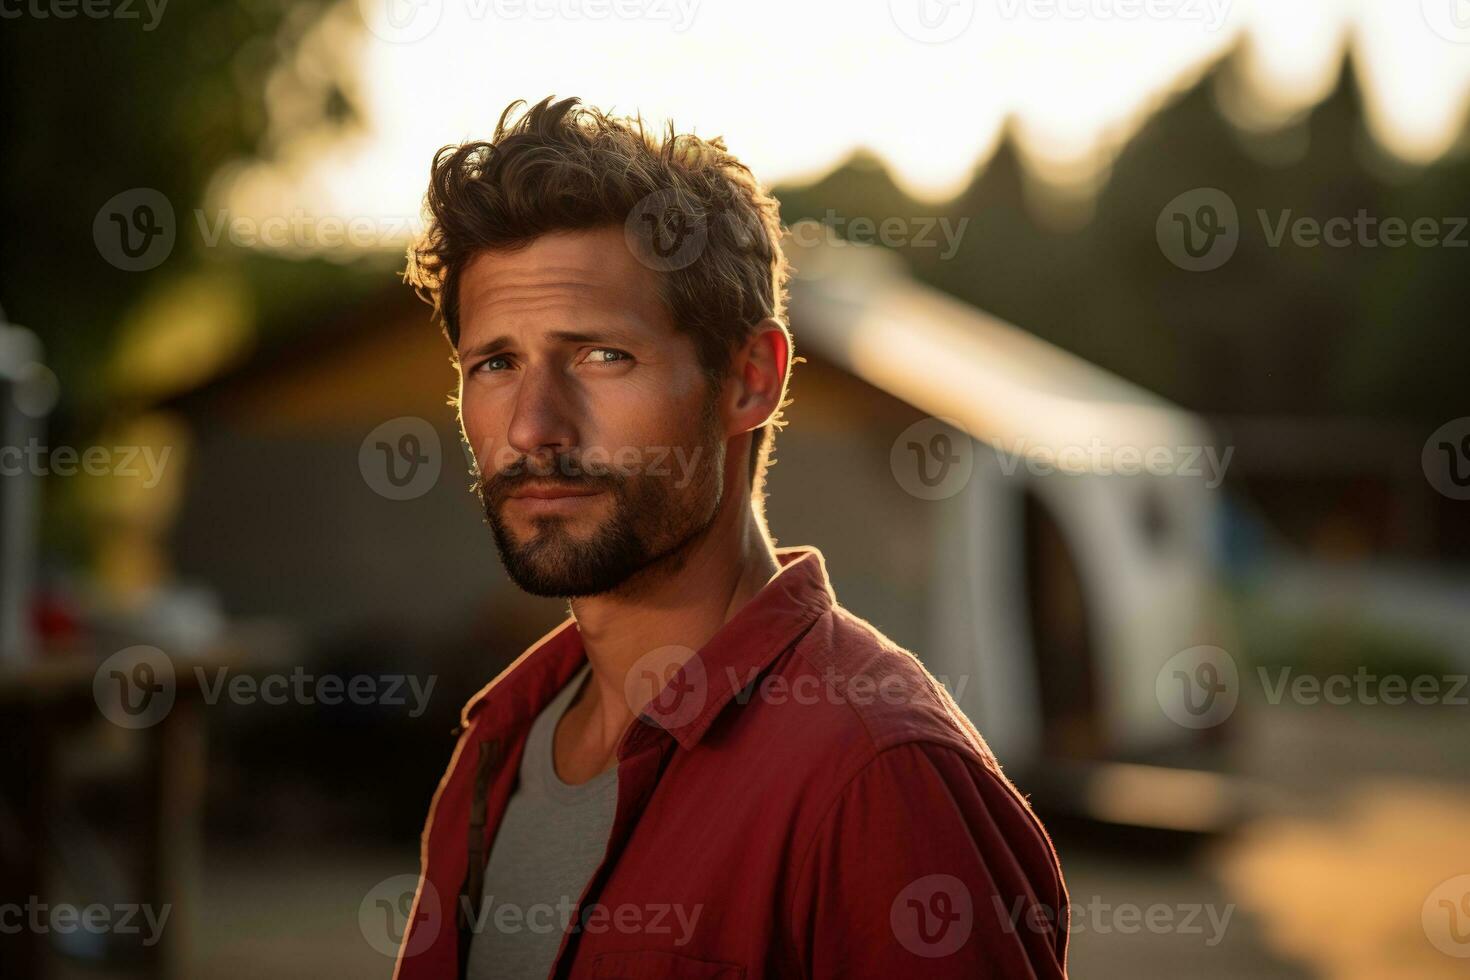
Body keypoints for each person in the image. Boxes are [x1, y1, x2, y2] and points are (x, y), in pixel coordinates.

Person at [393, 96, 1068, 979]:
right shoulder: (495, 751)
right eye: (496, 363)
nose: (532, 429)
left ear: (750, 380)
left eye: (601, 355)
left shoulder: (880, 779)